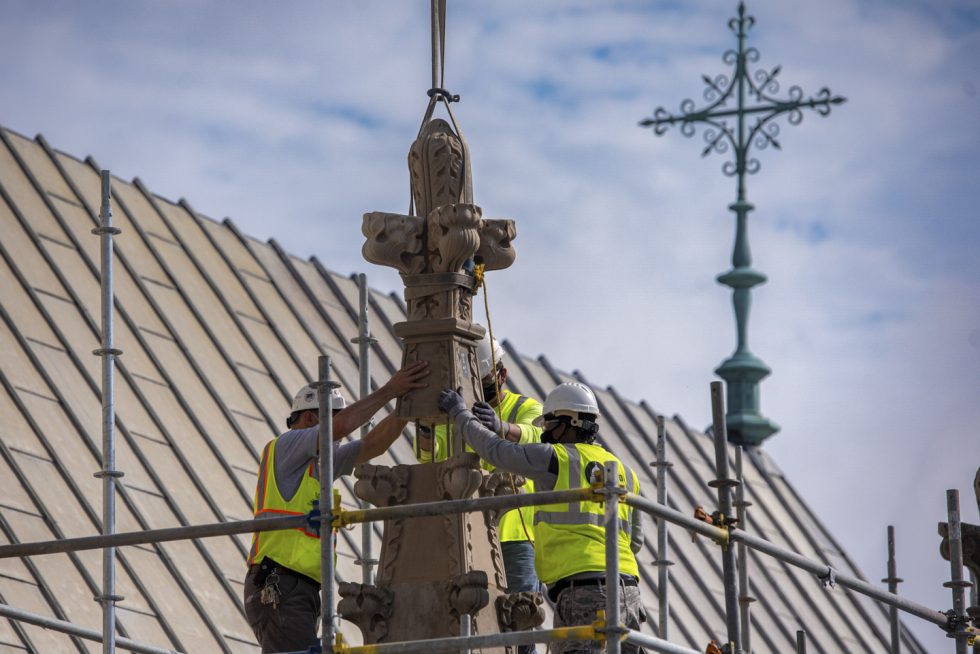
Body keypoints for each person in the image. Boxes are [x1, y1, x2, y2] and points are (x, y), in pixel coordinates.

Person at [438, 381, 644, 654]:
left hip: (582, 590)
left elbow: (495, 451)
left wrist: (460, 413)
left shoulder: (555, 458)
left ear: (568, 421)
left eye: (548, 423)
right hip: (628, 591)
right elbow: (636, 541)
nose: (545, 431)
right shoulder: (625, 472)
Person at [245, 361, 429, 654]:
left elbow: (371, 446)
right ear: (308, 419)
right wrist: (391, 390)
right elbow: (341, 425)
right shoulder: (287, 445)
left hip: (297, 589)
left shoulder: (318, 466)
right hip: (279, 584)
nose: (340, 437)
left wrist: (406, 408)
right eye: (332, 424)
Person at [414, 333, 544, 604]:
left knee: (520, 610)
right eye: (473, 380)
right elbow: (429, 461)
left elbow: (537, 438)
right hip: (465, 532)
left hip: (515, 534)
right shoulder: (455, 412)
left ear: (501, 374)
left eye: (484, 381)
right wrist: (425, 427)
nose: (478, 388)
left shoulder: (525, 407)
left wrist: (502, 427)